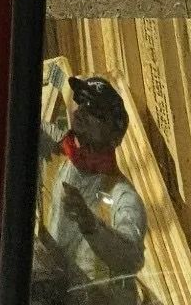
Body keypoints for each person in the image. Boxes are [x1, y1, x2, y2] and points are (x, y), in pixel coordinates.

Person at [33, 74, 148, 304]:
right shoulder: (62, 159)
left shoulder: (122, 196)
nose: (80, 112)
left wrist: (90, 223)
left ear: (113, 135)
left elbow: (131, 258)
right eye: (81, 103)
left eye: (94, 110)